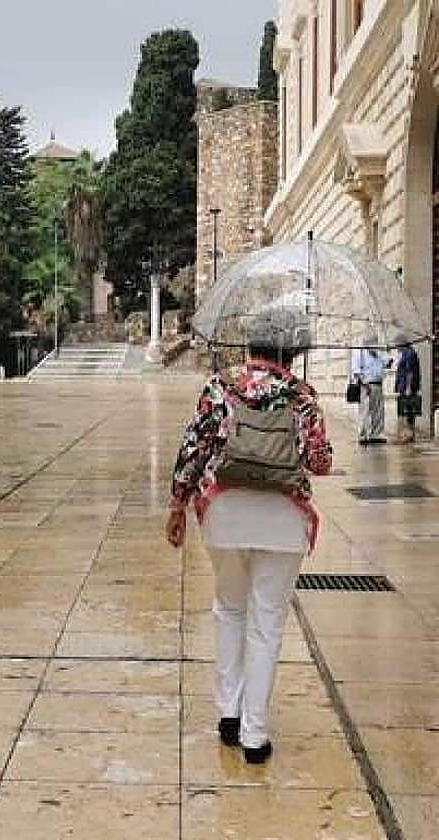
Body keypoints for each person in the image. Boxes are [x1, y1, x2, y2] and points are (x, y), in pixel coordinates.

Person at [166, 309, 332, 765]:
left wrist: (178, 504)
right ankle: (255, 736)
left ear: (251, 347)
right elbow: (319, 463)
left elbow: (193, 448)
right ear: (292, 353)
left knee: (229, 611)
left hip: (226, 514)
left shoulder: (221, 385)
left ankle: (228, 715)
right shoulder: (303, 397)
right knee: (267, 624)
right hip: (282, 518)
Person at [350, 346, 387, 445]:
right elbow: (356, 371)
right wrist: (364, 383)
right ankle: (363, 435)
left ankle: (376, 434)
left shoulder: (378, 353)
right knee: (365, 411)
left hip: (378, 384)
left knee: (378, 411)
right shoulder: (360, 353)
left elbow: (384, 364)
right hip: (366, 385)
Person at [395, 340, 421, 444]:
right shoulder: (408, 353)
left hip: (407, 388)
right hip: (405, 387)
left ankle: (409, 434)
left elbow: (410, 372)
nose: (396, 348)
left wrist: (408, 388)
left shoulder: (409, 354)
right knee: (407, 411)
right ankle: (410, 434)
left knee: (407, 411)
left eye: (397, 346)